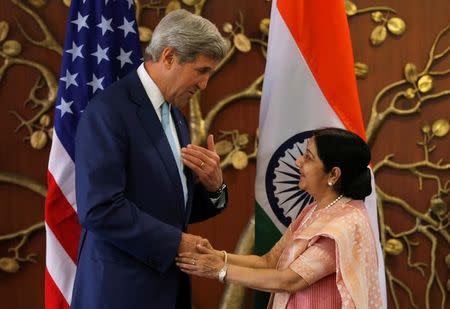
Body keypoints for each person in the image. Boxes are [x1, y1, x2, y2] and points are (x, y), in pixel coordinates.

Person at [71, 9, 230, 309]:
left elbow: (166, 206)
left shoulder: (176, 117)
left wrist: (213, 188)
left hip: (165, 289)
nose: (205, 84)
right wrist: (176, 243)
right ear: (169, 56)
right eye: (202, 70)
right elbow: (99, 208)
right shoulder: (109, 112)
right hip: (119, 292)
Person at [177, 128, 383, 308]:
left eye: (309, 157)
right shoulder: (312, 210)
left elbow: (290, 280)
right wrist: (218, 256)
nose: (298, 161)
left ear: (334, 174)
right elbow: (268, 261)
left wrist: (219, 270)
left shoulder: (344, 225)